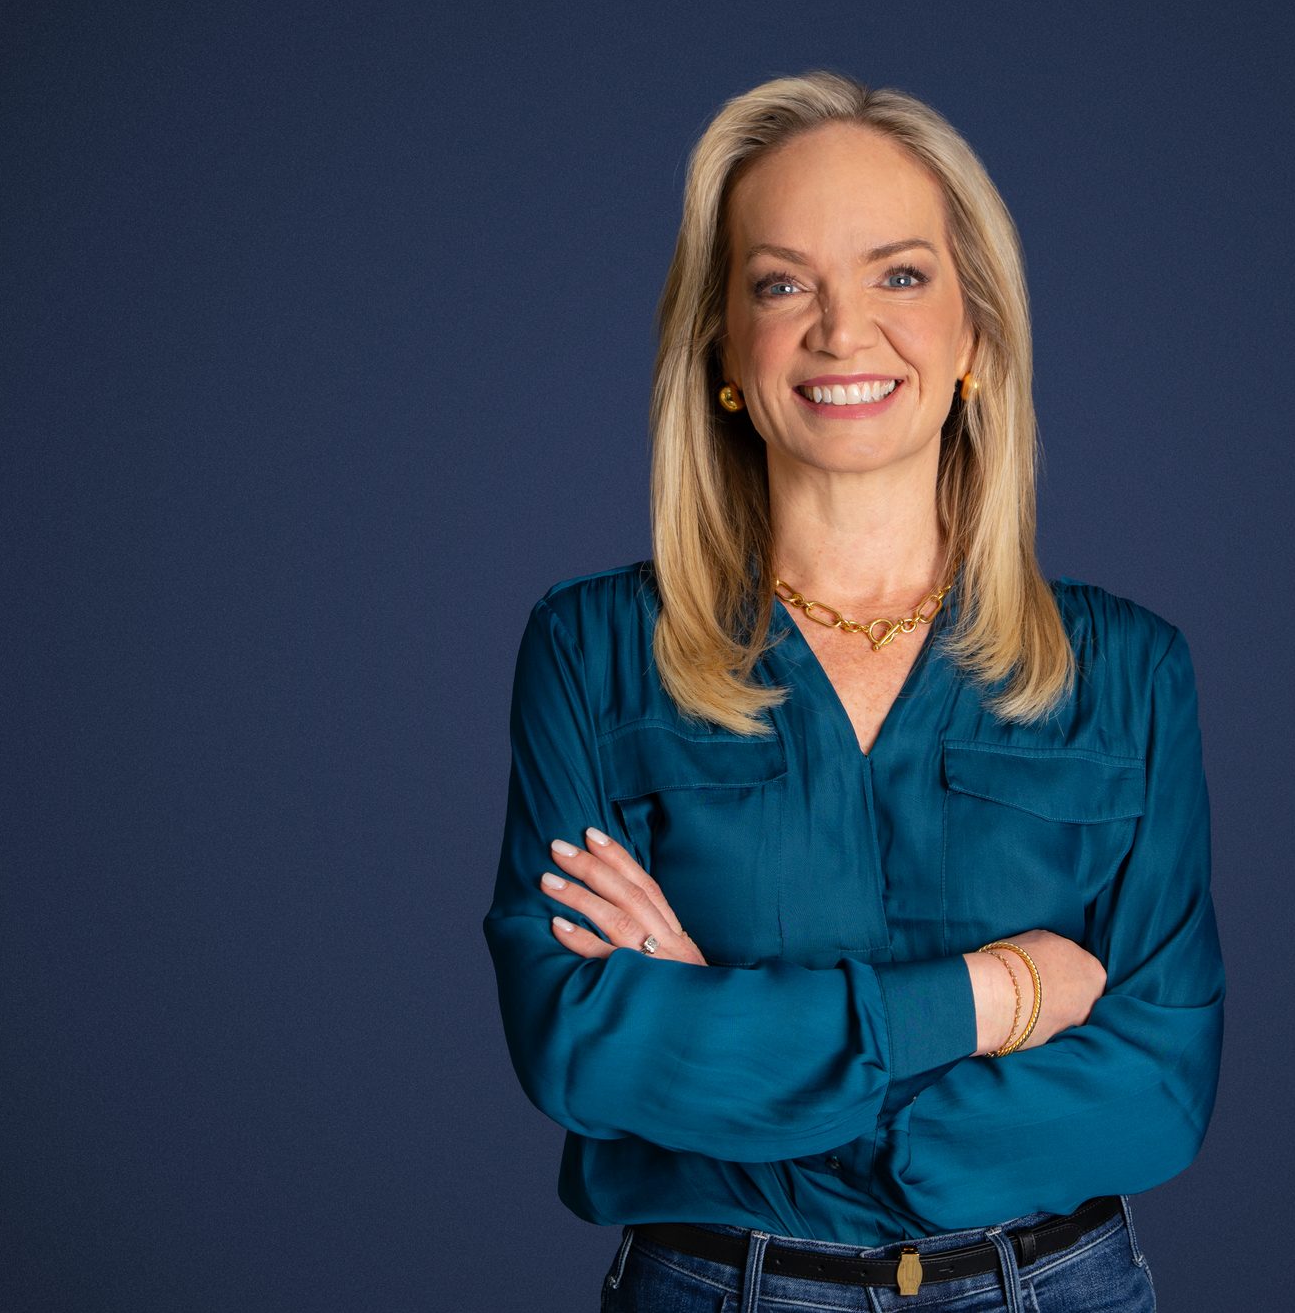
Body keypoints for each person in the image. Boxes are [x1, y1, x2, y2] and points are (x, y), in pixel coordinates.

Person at [482, 70, 1224, 1313]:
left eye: (897, 275)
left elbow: (1156, 1088)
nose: (839, 330)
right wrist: (995, 996)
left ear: (974, 332)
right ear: (723, 344)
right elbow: (578, 1044)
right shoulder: (594, 649)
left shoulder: (1130, 674)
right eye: (781, 284)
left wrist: (727, 1042)